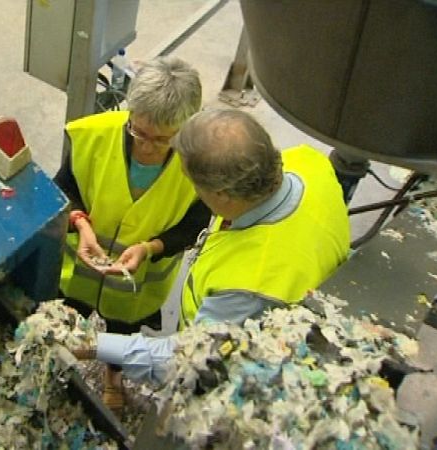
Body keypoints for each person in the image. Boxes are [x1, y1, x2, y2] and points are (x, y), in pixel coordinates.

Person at [74, 109, 350, 385]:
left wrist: (94, 345)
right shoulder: (308, 162)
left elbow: (187, 360)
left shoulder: (248, 285)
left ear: (223, 196)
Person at [53, 55, 211, 412]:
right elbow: (64, 186)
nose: (146, 146)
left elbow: (196, 224)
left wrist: (151, 247)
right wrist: (80, 223)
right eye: (138, 132)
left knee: (123, 330)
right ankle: (58, 359)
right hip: (80, 268)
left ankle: (113, 375)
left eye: (161, 139)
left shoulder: (199, 164)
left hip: (137, 284)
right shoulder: (94, 135)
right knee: (67, 318)